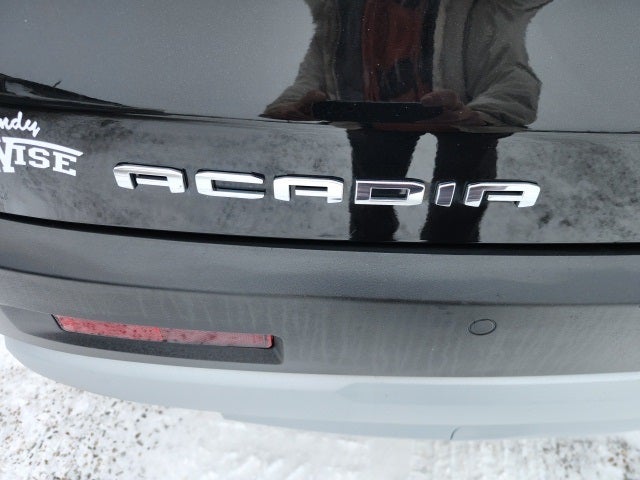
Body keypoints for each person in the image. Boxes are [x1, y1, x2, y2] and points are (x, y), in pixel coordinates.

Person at [264, 0, 551, 242]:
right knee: (369, 224)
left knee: (452, 229)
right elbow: (317, 70)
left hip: (462, 132)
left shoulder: (494, 7)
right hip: (370, 122)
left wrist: (481, 115)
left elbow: (514, 79)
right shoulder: (337, 8)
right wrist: (287, 108)